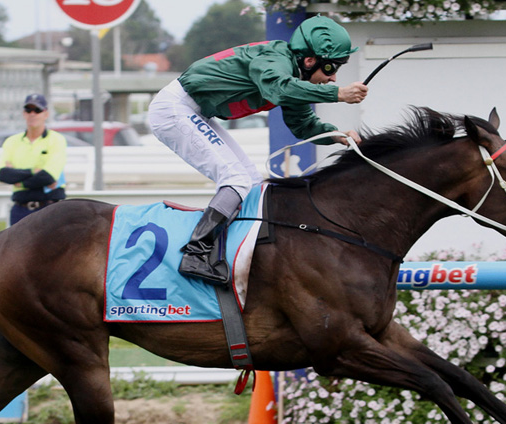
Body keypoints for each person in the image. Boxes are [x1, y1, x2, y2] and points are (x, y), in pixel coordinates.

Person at [148, 15, 368, 284]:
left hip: (195, 112)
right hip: (175, 109)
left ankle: (237, 252)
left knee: (251, 182)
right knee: (235, 179)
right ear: (310, 60)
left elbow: (302, 124)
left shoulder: (295, 77)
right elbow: (280, 89)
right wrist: (339, 95)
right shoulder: (275, 60)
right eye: (331, 68)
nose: (334, 78)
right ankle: (195, 253)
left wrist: (336, 136)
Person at [0, 94, 67, 225]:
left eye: (37, 110)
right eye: (28, 110)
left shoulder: (56, 140)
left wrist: (20, 182)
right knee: (14, 245)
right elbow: (3, 174)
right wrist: (33, 171)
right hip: (20, 209)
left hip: (49, 208)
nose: (32, 114)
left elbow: (48, 177)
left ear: (46, 114)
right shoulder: (12, 142)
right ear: (24, 113)